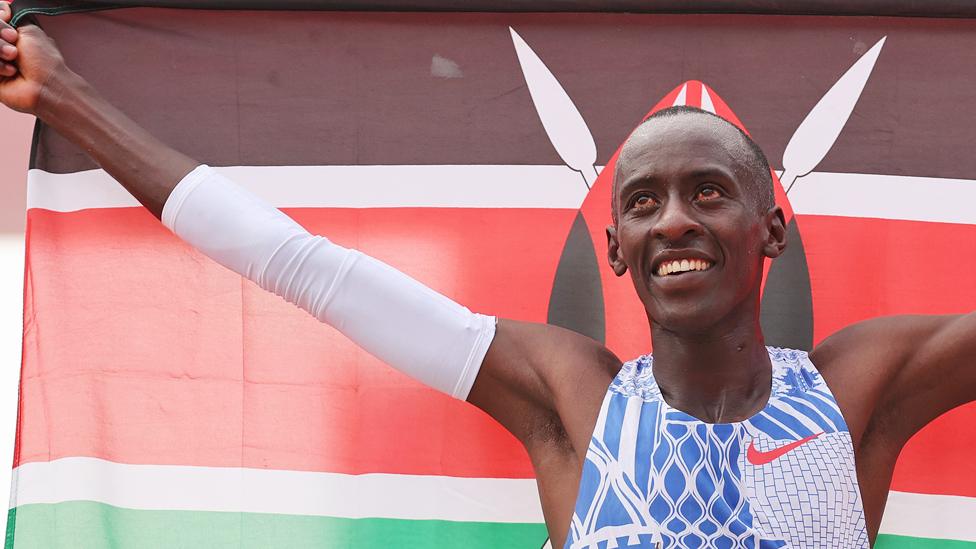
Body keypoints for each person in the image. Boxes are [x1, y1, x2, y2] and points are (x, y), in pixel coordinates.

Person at [1, 7, 974, 548]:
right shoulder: (571, 399)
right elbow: (301, 265)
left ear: (770, 228)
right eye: (641, 202)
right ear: (614, 251)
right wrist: (67, 102)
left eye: (707, 190)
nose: (673, 218)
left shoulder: (851, 392)